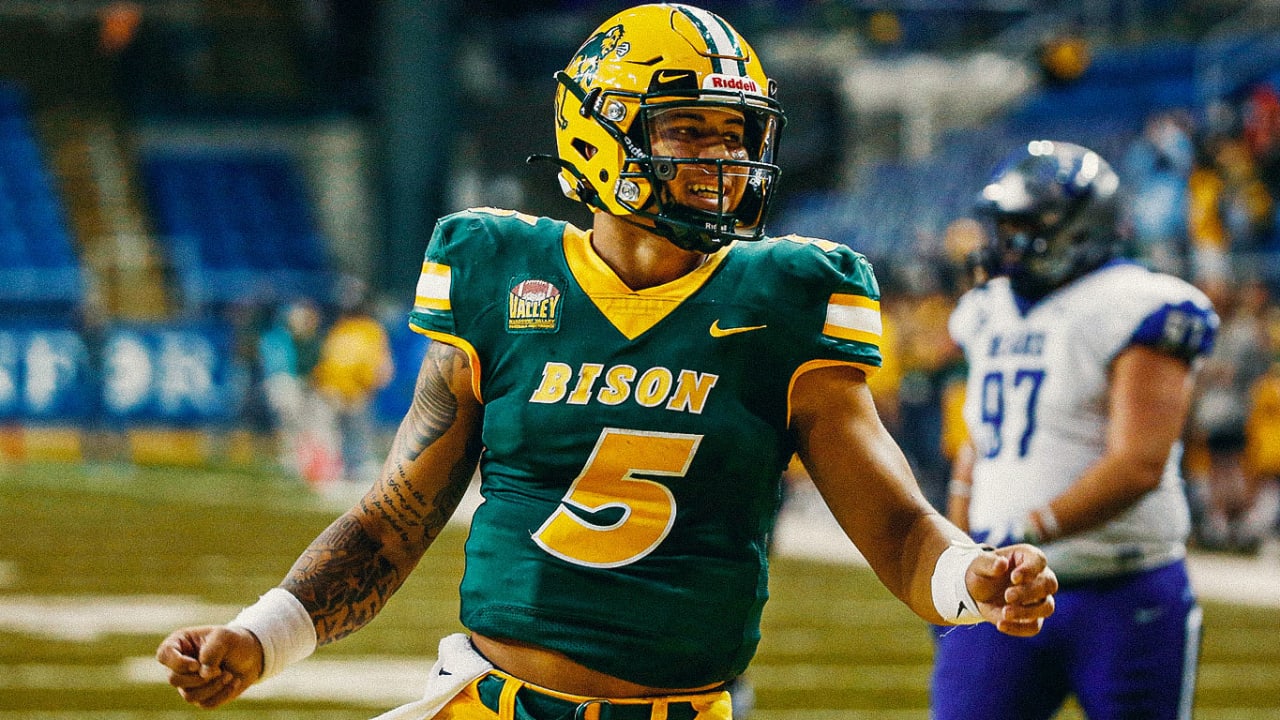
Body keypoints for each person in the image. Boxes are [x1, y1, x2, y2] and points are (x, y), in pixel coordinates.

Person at [155, 5, 1057, 718]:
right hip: (490, 706)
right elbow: (394, 520)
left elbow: (896, 529)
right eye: (690, 131)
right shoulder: (501, 273)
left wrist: (968, 577)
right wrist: (261, 636)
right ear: (599, 134)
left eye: (737, 136)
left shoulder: (785, 298)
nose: (725, 161)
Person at [934, 140, 1218, 720]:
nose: (1004, 243)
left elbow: (1138, 464)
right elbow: (978, 447)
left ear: (1077, 230)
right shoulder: (987, 308)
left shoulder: (1139, 303)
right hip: (1004, 585)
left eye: (1023, 227)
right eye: (1003, 226)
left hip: (1121, 584)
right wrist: (956, 554)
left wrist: (1028, 529)